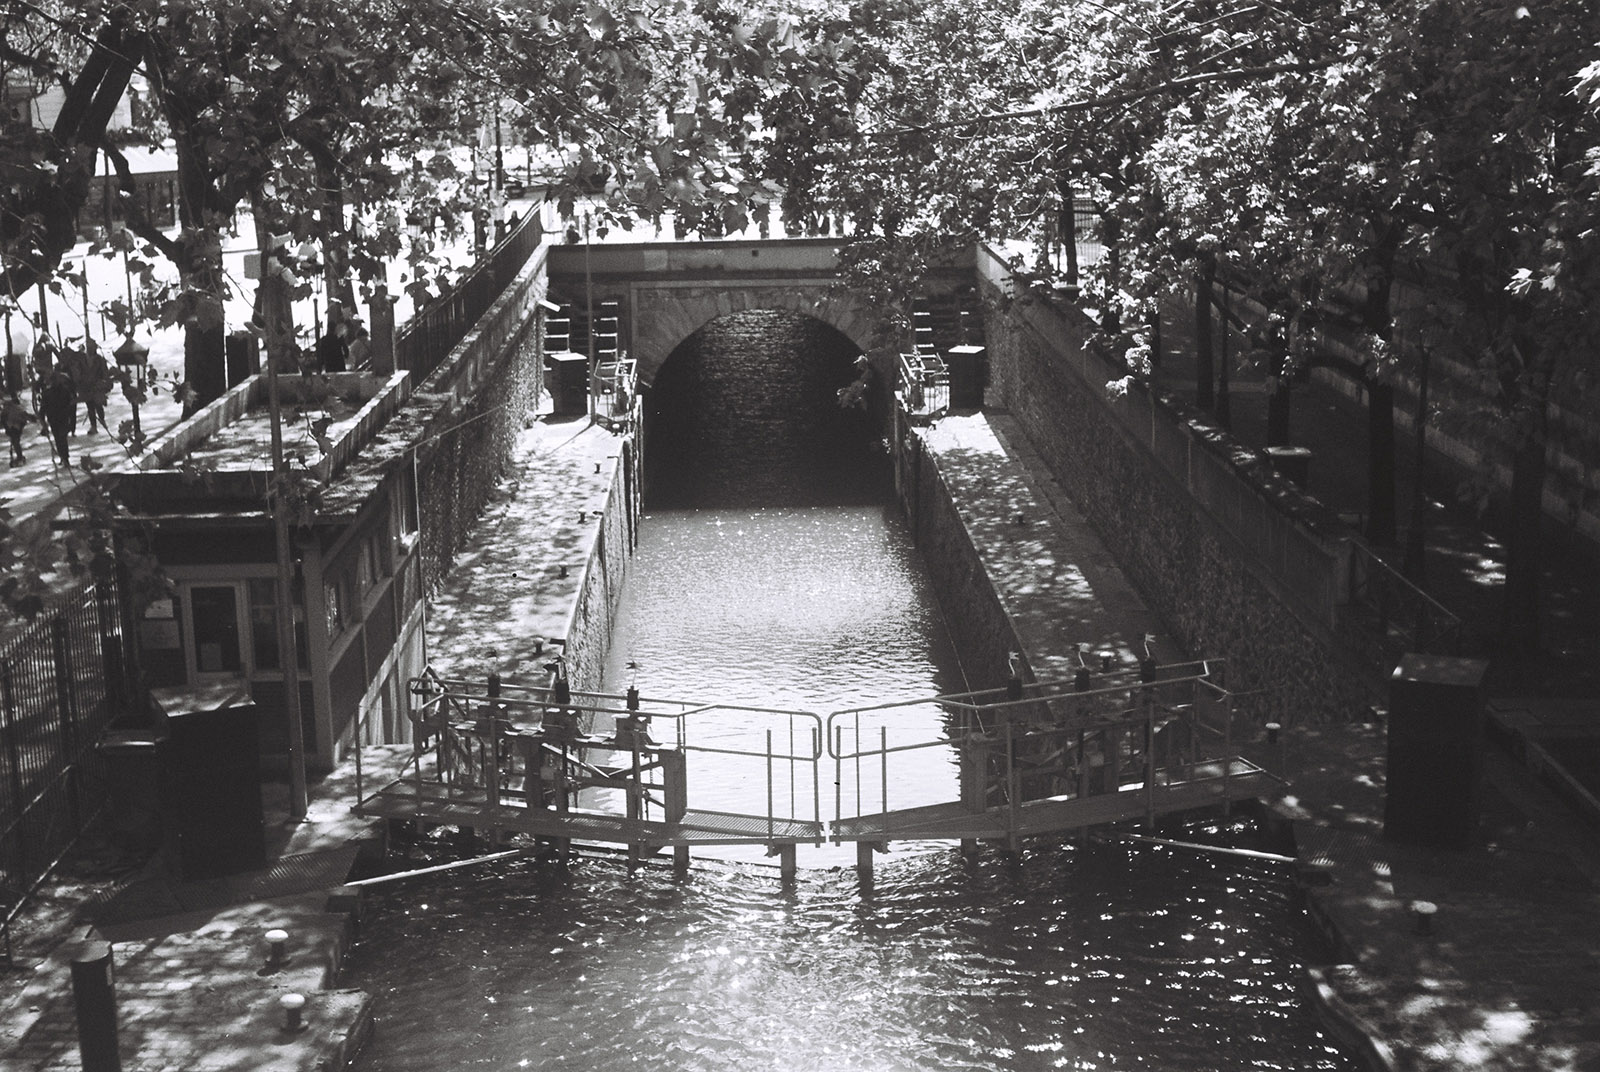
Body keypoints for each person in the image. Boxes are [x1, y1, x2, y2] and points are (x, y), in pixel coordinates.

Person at [38, 366, 74, 465]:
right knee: (60, 439)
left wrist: (43, 419)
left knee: (61, 438)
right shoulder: (48, 393)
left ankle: (64, 457)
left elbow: (70, 406)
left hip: (60, 418)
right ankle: (64, 457)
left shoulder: (62, 391)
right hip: (56, 419)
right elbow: (43, 409)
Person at [3, 393, 29, 467]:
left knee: (15, 442)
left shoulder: (7, 410)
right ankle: (19, 456)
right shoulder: (17, 408)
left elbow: (3, 421)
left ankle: (19, 457)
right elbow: (24, 418)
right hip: (16, 427)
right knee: (15, 442)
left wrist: (8, 429)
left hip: (13, 427)